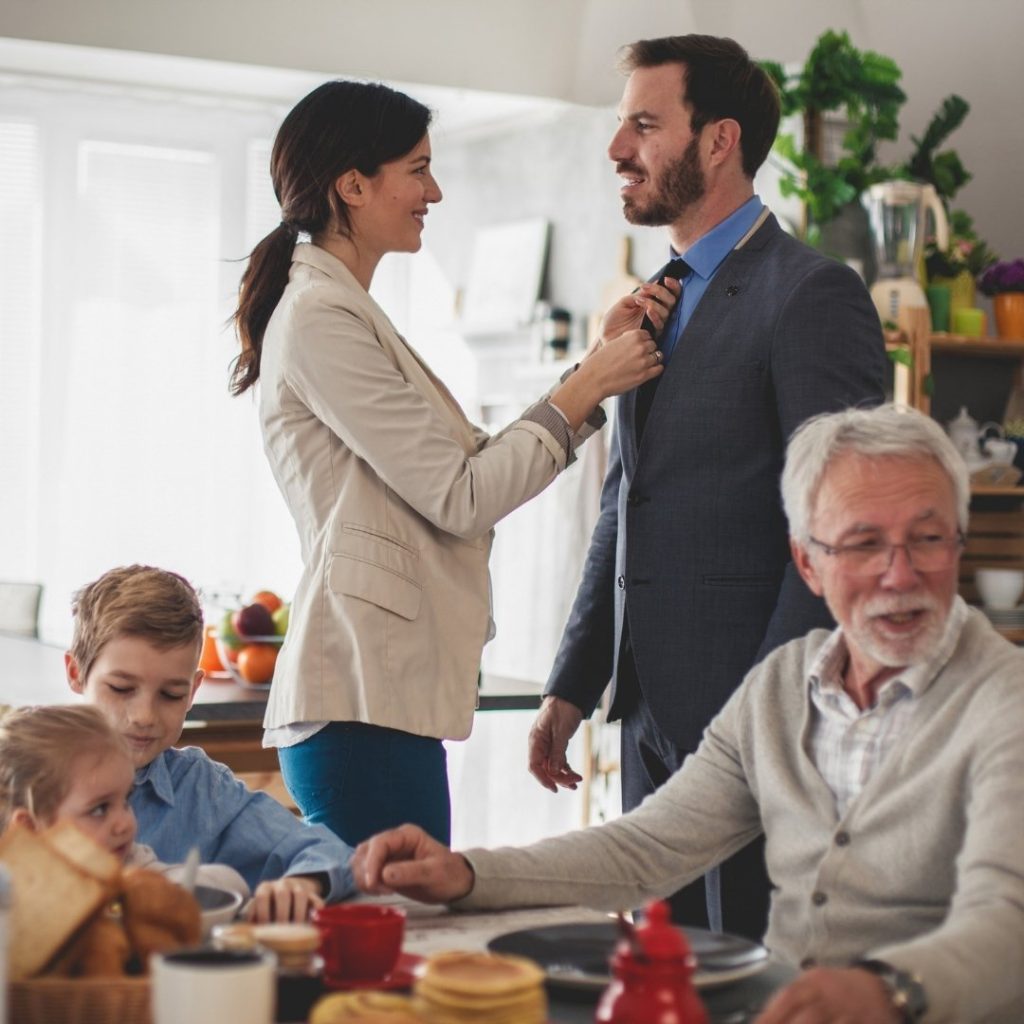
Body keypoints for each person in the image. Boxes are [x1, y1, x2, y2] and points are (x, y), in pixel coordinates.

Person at [355, 404, 1024, 1024]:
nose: (900, 574)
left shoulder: (1007, 701)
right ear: (808, 564)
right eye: (864, 544)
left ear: (959, 544)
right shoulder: (783, 686)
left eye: (928, 538)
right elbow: (650, 847)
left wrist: (888, 991)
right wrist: (469, 873)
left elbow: (1008, 918)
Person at [228, 79, 677, 849]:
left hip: (382, 700)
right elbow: (463, 495)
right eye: (419, 168)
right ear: (353, 185)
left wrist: (593, 367)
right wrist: (591, 382)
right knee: (398, 940)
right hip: (359, 705)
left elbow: (468, 460)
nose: (433, 191)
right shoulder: (319, 316)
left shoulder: (344, 308)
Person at [527, 33, 887, 939]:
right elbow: (628, 498)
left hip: (758, 722)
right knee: (667, 970)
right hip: (646, 713)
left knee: (753, 972)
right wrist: (574, 681)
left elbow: (843, 523)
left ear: (718, 141)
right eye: (621, 127)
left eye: (644, 126)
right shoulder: (652, 300)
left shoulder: (811, 294)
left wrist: (771, 711)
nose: (617, 150)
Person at [65, 564, 357, 923]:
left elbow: (330, 854)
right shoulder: (26, 769)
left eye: (171, 694)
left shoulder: (202, 789)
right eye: (122, 689)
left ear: (193, 691)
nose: (144, 716)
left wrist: (302, 884)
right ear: (76, 673)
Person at [0, 704, 248, 899]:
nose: (125, 823)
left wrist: (160, 891)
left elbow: (230, 884)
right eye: (99, 809)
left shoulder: (128, 863)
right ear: (29, 828)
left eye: (126, 800)